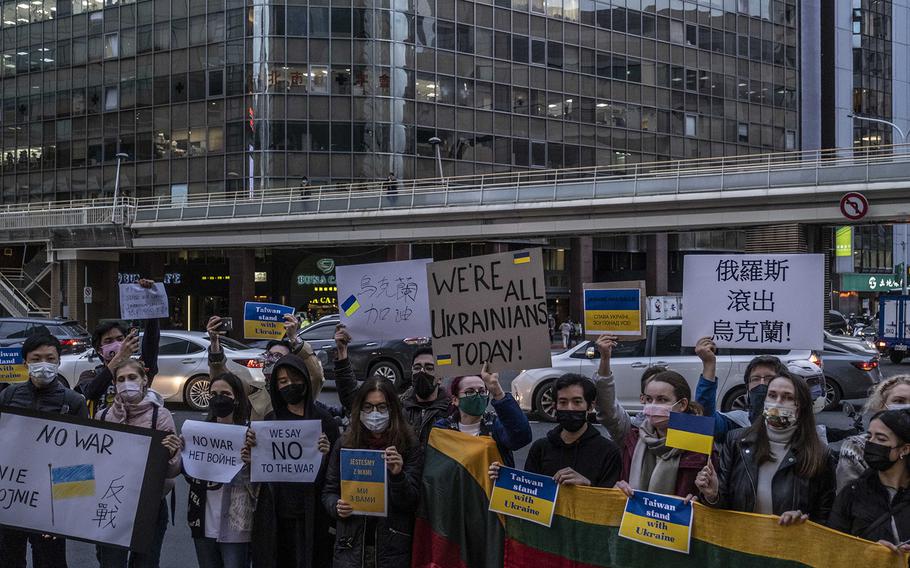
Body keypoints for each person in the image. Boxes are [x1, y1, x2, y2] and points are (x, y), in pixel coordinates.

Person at [696, 371, 835, 525]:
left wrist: (804, 524)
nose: (777, 402)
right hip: (740, 541)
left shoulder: (820, 454)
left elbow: (825, 518)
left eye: (788, 397)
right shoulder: (737, 442)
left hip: (788, 544)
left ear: (801, 406)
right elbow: (723, 509)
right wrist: (713, 495)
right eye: (772, 395)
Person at [0, 333, 87, 568]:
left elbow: (80, 459)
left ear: (58, 361)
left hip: (50, 503)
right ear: (25, 362)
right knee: (8, 559)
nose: (44, 365)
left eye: (50, 358)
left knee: (50, 562)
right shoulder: (8, 396)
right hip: (12, 499)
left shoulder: (74, 402)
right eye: (37, 358)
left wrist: (62, 514)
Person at [248, 353, 338, 568]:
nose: (290, 385)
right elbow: (260, 472)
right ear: (275, 386)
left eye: (295, 379)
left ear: (306, 381)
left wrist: (326, 455)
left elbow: (336, 474)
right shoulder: (269, 422)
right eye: (283, 381)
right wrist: (251, 452)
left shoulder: (324, 421)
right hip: (276, 514)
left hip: (312, 514)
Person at [322, 378, 423, 568]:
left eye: (381, 407)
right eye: (368, 407)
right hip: (351, 547)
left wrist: (398, 475)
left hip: (391, 549)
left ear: (392, 409)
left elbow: (411, 502)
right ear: (359, 410)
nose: (374, 413)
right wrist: (336, 506)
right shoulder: (345, 443)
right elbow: (329, 491)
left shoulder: (409, 444)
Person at [96, 359, 182, 568]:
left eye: (132, 377)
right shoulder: (103, 416)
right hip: (112, 505)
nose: (127, 383)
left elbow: (172, 471)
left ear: (144, 380)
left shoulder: (160, 416)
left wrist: (170, 454)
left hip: (149, 506)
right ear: (115, 384)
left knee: (146, 563)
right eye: (121, 379)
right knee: (111, 563)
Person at [490, 373, 621, 488]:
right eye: (563, 402)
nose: (570, 408)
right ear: (554, 406)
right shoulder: (540, 448)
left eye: (577, 402)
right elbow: (528, 492)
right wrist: (504, 478)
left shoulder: (609, 451)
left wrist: (587, 485)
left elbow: (610, 502)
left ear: (590, 406)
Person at [184, 372, 258, 568]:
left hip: (237, 524)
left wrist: (252, 461)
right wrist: (181, 451)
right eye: (214, 393)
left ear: (236, 399)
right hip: (202, 521)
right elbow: (186, 472)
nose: (219, 398)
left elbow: (261, 483)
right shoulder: (198, 433)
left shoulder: (250, 434)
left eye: (225, 393)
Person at [206, 314, 328, 421]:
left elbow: (315, 376)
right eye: (269, 355)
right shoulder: (255, 390)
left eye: (277, 356)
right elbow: (221, 380)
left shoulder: (300, 390)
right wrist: (215, 342)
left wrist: (294, 338)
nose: (270, 360)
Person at [829, 409, 910, 554]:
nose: (870, 443)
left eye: (881, 439)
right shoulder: (853, 493)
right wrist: (866, 551)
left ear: (904, 449)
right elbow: (834, 547)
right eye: (869, 436)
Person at [76, 279, 161, 416]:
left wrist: (149, 303)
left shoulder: (139, 367)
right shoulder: (90, 375)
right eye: (109, 340)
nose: (117, 344)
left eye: (120, 339)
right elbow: (91, 392)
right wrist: (120, 357)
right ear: (99, 350)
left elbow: (151, 343)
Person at [434, 363, 532, 467]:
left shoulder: (496, 425)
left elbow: (522, 437)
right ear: (455, 400)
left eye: (482, 391)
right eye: (470, 392)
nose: (477, 395)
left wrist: (497, 391)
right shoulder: (443, 429)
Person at [837, 376, 910, 490]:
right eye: (899, 401)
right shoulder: (858, 447)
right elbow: (849, 498)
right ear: (882, 405)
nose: (906, 407)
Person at [400, 347, 451, 446]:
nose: (422, 372)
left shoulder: (451, 411)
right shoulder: (399, 409)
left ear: (440, 377)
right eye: (417, 368)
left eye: (429, 368)